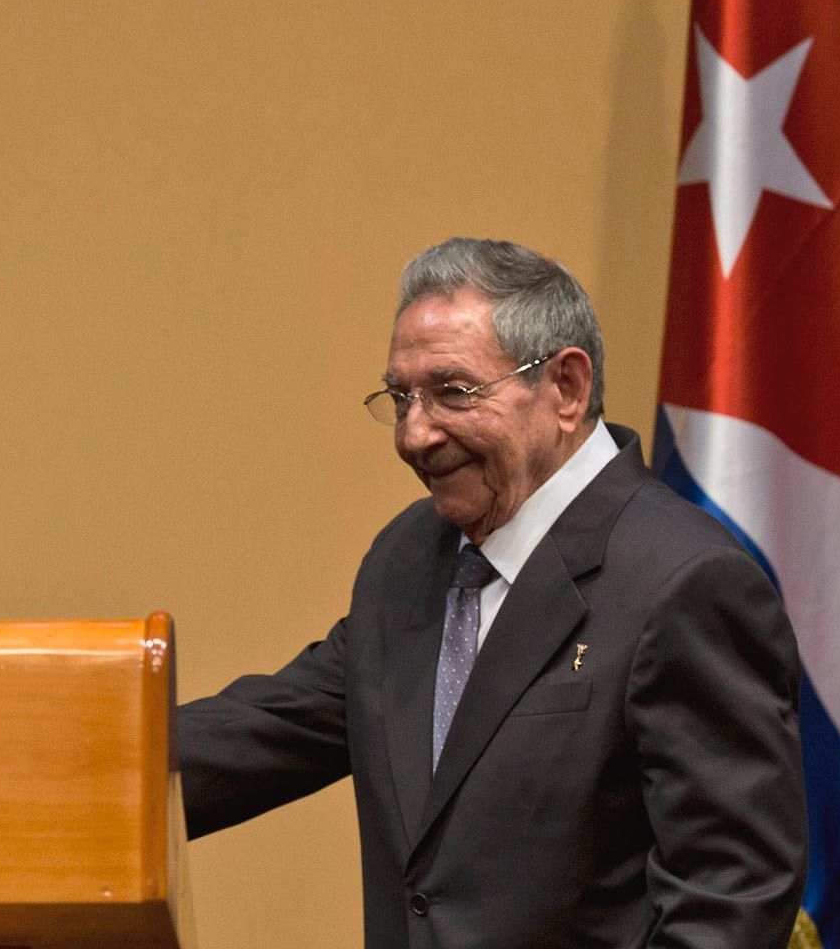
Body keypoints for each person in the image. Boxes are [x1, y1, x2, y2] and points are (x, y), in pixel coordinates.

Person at [178, 238, 805, 948]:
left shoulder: (683, 581)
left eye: (452, 392)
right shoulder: (409, 555)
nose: (415, 435)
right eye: (400, 397)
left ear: (566, 388)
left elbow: (731, 900)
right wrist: (61, 764)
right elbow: (275, 729)